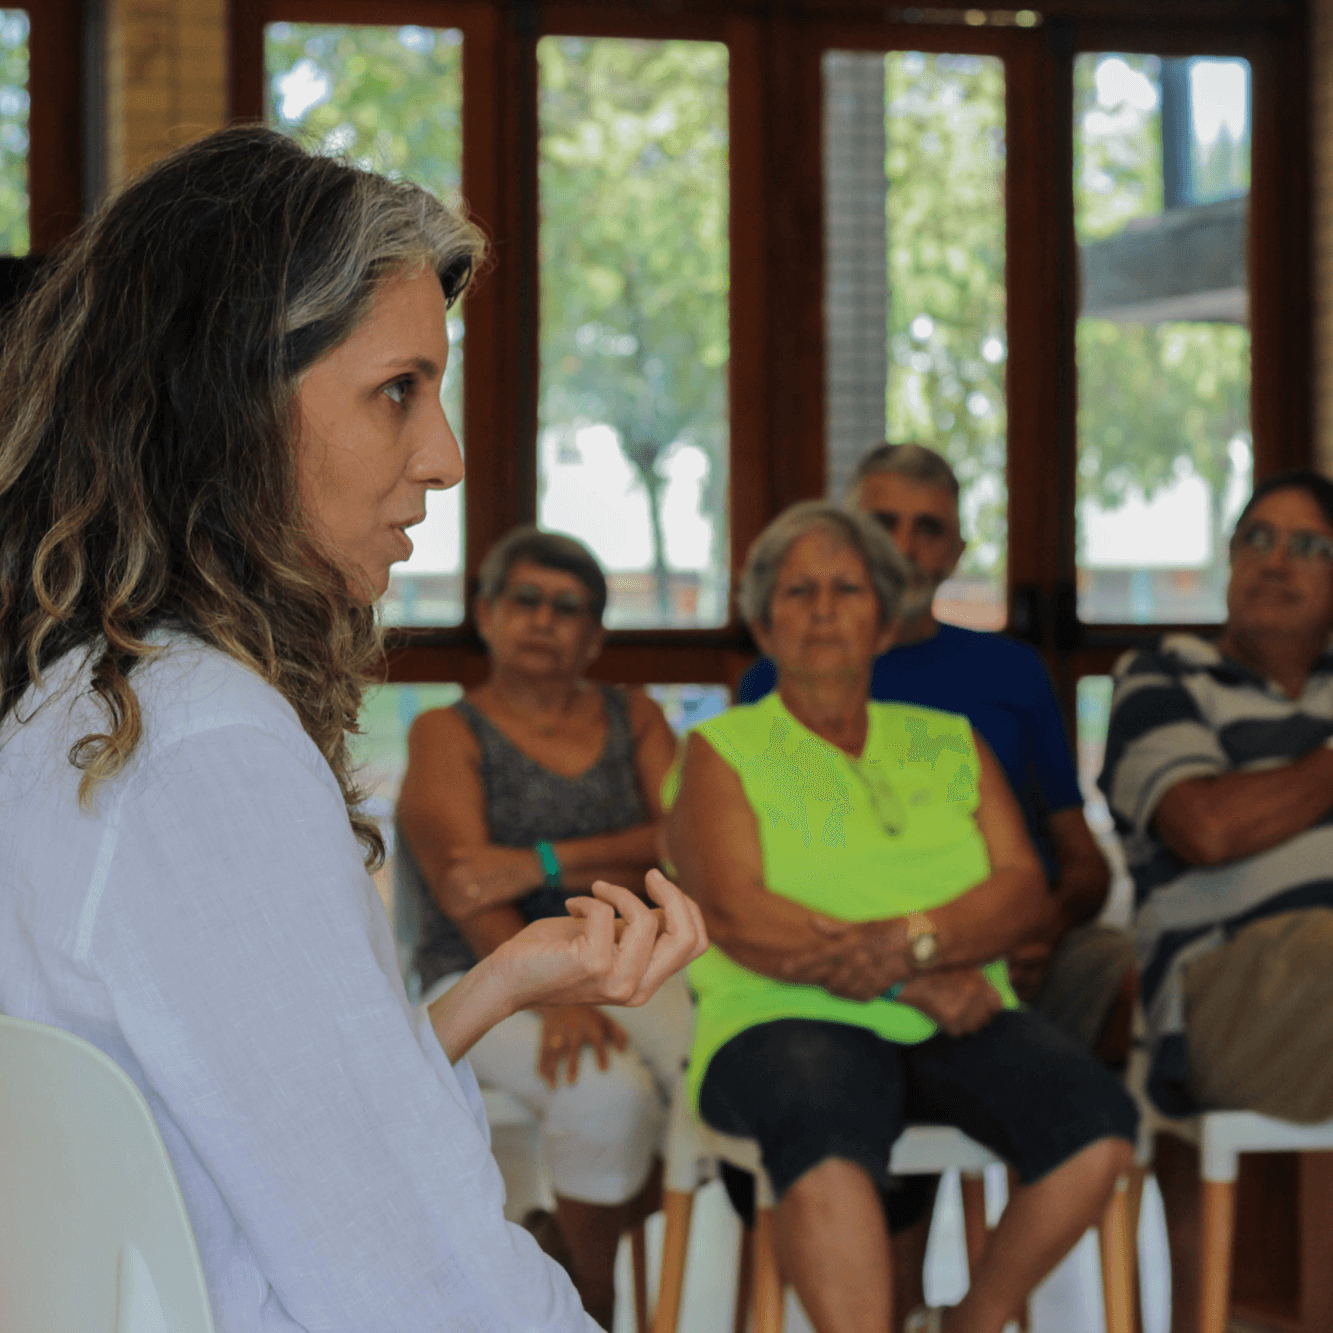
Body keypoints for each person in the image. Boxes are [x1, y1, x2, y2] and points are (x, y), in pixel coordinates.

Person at [0, 125, 706, 1333]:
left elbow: (280, 1134)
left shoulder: (82, 701)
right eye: (397, 391)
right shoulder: (204, 746)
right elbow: (414, 1285)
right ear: (227, 402)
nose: (444, 457)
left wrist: (498, 981)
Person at [668, 500, 1137, 1333]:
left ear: (884, 624)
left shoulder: (948, 740)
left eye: (845, 589)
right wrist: (912, 982)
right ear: (763, 623)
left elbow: (1019, 888)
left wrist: (910, 945)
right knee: (821, 1115)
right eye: (797, 590)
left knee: (1096, 1123)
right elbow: (740, 913)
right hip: (781, 1021)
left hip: (966, 1008)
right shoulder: (721, 750)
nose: (820, 609)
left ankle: (970, 1322)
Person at [738, 444, 1131, 1052]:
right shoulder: (779, 678)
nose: (904, 547)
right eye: (882, 524)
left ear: (955, 555)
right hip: (844, 952)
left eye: (929, 529)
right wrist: (906, 954)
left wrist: (1042, 928)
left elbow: (1083, 860)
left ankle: (1080, 1136)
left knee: (1111, 964)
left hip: (1011, 943)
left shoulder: (1013, 673)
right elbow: (757, 866)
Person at [396, 524, 690, 1328]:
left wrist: (539, 862)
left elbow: (682, 841)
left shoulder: (637, 717)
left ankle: (559, 1242)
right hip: (484, 971)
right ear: (486, 613)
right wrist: (550, 994)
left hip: (640, 958)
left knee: (717, 1080)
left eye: (567, 607)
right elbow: (465, 886)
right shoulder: (445, 732)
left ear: (594, 636)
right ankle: (593, 1299)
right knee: (604, 1097)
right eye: (523, 599)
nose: (541, 618)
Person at [1099, 468, 1333, 1332]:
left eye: (1309, 545)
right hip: (1224, 994)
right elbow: (1203, 827)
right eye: (1256, 539)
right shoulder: (1161, 675)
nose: (1277, 561)